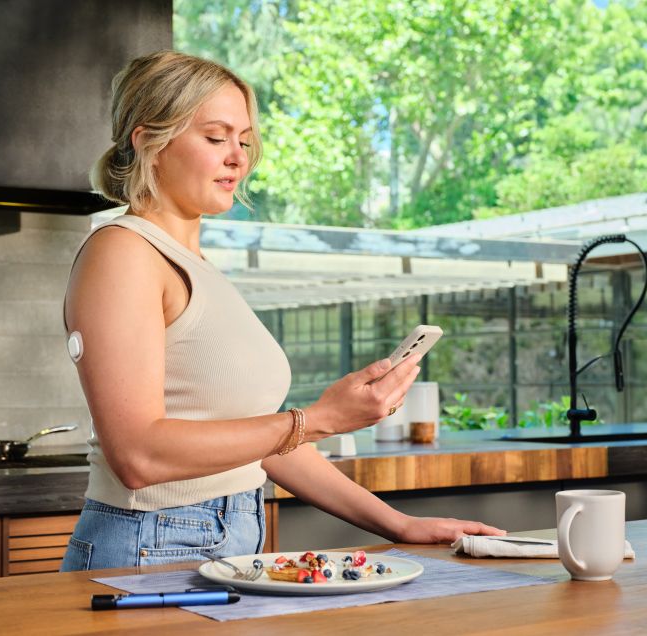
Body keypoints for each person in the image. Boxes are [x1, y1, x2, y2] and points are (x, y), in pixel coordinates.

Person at [59, 50, 504, 572]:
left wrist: (399, 525)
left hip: (226, 540)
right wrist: (316, 419)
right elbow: (138, 455)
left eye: (244, 140)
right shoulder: (122, 252)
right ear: (149, 142)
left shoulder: (196, 267)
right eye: (216, 137)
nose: (238, 158)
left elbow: (266, 448)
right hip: (148, 545)